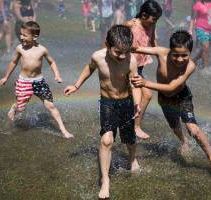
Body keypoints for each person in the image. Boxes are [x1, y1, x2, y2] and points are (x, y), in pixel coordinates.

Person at [64, 25, 141, 199]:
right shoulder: (98, 57)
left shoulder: (131, 60)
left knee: (129, 139)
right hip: (107, 103)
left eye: (125, 52)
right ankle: (105, 180)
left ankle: (132, 158)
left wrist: (137, 104)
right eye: (117, 52)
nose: (122, 57)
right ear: (107, 44)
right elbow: (89, 68)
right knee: (107, 140)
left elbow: (136, 84)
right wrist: (76, 85)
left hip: (127, 102)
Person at [131, 30, 211, 174]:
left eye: (184, 55)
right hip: (164, 98)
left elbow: (172, 86)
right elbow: (136, 48)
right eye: (176, 55)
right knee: (174, 127)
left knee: (193, 129)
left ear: (190, 52)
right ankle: (184, 141)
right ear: (170, 51)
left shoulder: (190, 66)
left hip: (182, 97)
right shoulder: (161, 53)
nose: (180, 59)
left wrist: (145, 83)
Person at [0, 21, 73, 139]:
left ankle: (64, 131)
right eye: (21, 34)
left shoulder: (42, 50)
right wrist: (6, 77)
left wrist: (57, 75)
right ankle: (15, 106)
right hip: (24, 82)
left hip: (39, 82)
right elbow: (13, 62)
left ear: (35, 36)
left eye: (24, 35)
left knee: (50, 106)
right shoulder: (19, 48)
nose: (21, 37)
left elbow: (52, 62)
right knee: (21, 108)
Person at [125, 0, 162, 139]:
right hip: (128, 67)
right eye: (153, 19)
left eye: (157, 19)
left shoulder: (152, 24)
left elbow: (153, 42)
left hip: (139, 68)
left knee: (133, 97)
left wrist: (161, 59)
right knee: (146, 95)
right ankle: (136, 127)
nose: (154, 22)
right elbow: (115, 34)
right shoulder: (132, 25)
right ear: (144, 15)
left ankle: (131, 124)